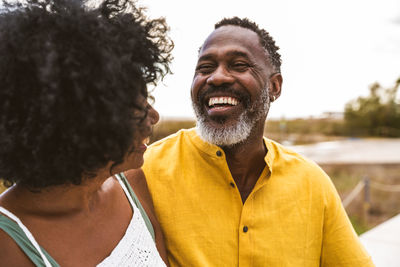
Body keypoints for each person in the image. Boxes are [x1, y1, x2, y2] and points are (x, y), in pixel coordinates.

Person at [136, 17, 375, 266]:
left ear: (274, 86)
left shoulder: (312, 184)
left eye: (238, 65)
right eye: (205, 68)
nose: (216, 77)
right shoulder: (146, 171)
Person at [0, 0, 173, 266]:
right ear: (80, 122)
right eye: (135, 109)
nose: (154, 117)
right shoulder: (8, 242)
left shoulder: (131, 185)